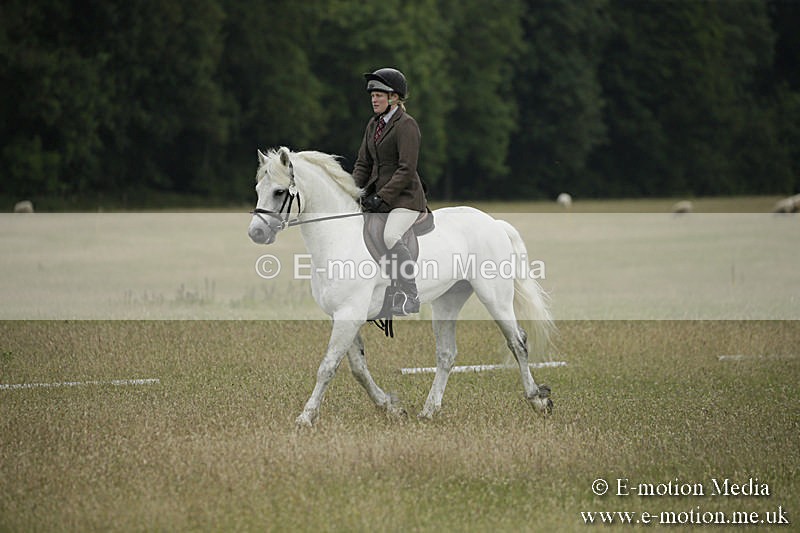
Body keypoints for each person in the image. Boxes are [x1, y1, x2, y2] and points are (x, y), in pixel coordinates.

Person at [353, 67, 428, 315]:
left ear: (394, 97)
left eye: (379, 94)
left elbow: (407, 169)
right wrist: (351, 192)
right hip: (380, 197)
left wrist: (381, 197)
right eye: (372, 95)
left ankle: (410, 294)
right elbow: (363, 163)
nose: (374, 99)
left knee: (390, 236)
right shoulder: (373, 125)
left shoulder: (406, 125)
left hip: (405, 198)